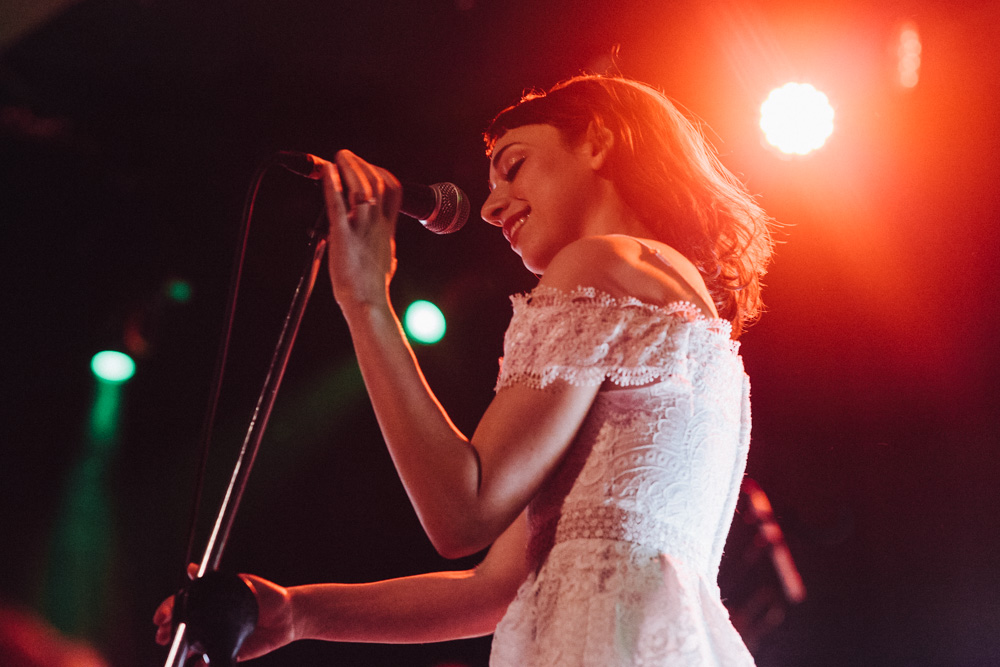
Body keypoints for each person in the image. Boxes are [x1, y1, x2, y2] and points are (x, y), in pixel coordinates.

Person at [154, 74, 775, 665]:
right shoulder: (692, 326)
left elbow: (461, 510)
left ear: (598, 140)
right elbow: (498, 587)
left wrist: (364, 298)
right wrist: (298, 612)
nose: (490, 207)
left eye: (515, 165)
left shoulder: (599, 263)